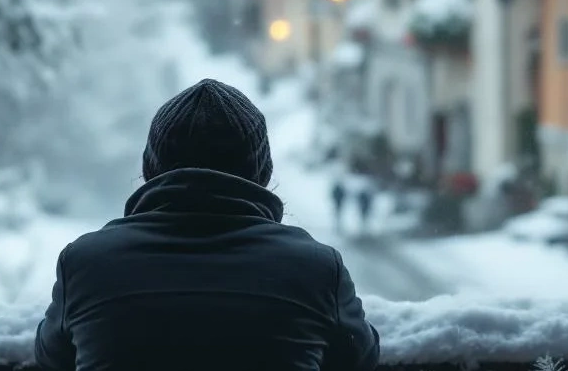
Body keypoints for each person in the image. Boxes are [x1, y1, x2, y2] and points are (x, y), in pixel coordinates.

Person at [35, 78, 380, 371]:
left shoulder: (84, 265)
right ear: (261, 172)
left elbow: (51, 358)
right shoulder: (318, 270)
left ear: (151, 168)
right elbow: (359, 358)